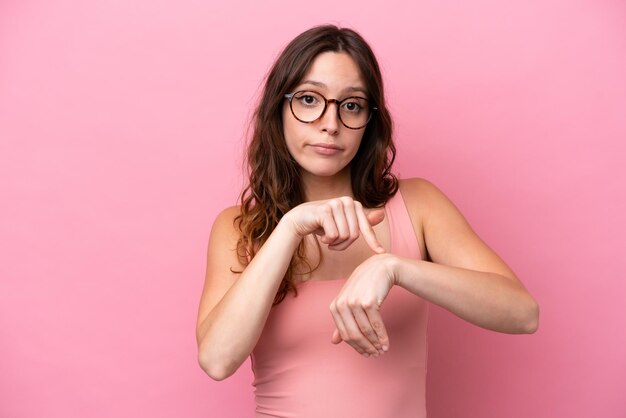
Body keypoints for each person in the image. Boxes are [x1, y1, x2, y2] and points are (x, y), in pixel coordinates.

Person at [196, 25, 539, 418]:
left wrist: (393, 268)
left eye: (352, 104)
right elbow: (217, 360)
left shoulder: (418, 204)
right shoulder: (240, 228)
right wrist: (289, 227)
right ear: (279, 109)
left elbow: (522, 313)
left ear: (370, 121)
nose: (331, 123)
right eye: (309, 99)